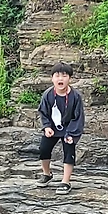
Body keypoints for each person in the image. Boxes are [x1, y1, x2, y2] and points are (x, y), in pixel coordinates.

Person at [36, 62, 85, 195]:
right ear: (52, 78)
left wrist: (71, 134)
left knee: (69, 152)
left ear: (70, 78)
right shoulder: (48, 94)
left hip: (69, 129)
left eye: (64, 76)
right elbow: (43, 112)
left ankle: (65, 181)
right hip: (52, 128)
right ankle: (47, 174)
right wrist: (47, 127)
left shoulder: (75, 96)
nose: (60, 79)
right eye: (57, 76)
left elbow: (78, 117)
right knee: (43, 149)